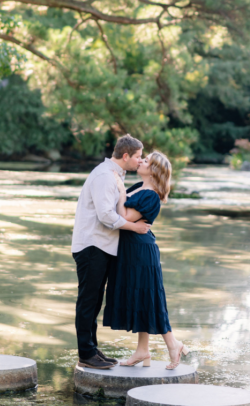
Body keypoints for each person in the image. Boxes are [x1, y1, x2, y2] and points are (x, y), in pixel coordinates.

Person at [71, 134, 152, 369]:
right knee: (88, 300)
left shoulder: (115, 175)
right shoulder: (105, 176)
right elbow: (106, 216)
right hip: (92, 246)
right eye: (137, 157)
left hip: (102, 246)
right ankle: (86, 354)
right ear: (125, 156)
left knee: (95, 300)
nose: (140, 161)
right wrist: (134, 227)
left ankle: (92, 349)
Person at [103, 151, 190, 370]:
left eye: (146, 160)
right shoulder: (138, 187)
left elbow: (124, 216)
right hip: (131, 250)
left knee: (150, 299)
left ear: (154, 171)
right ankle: (143, 350)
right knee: (142, 298)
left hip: (141, 253)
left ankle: (173, 344)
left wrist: (120, 189)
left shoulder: (151, 194)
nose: (141, 161)